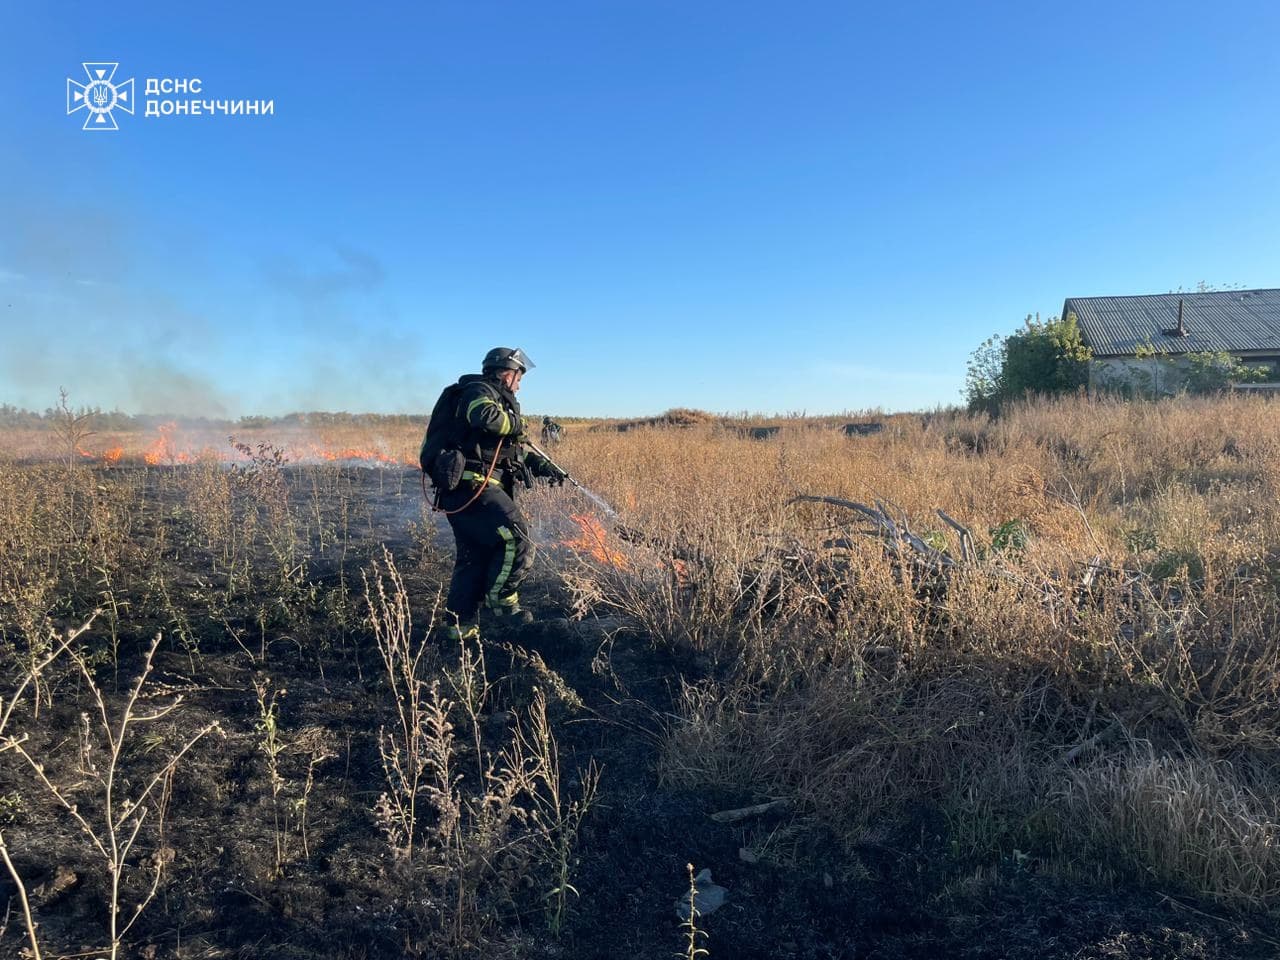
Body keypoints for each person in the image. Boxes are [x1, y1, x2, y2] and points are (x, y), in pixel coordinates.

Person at [422, 347, 567, 640]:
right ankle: (501, 605)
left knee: (473, 558)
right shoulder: (478, 391)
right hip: (472, 487)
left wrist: (542, 465)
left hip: (467, 491)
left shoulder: (492, 398)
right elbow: (484, 416)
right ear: (505, 372)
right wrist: (518, 424)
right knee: (517, 537)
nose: (519, 384)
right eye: (518, 377)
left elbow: (505, 455)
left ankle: (459, 631)